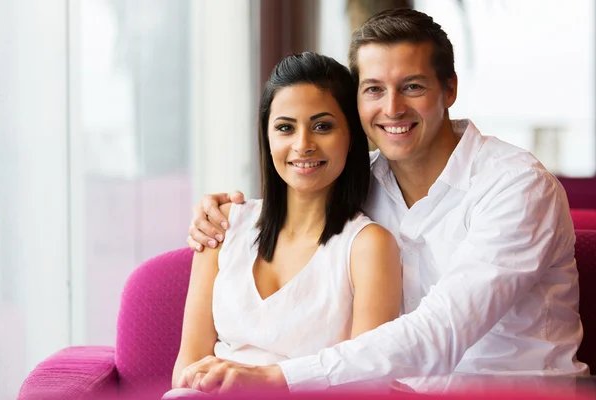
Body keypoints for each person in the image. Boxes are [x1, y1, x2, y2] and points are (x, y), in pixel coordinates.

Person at [184, 7, 588, 394]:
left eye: (412, 86)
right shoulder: (361, 179)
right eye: (374, 89)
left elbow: (442, 331)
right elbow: (296, 197)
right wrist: (223, 212)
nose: (392, 108)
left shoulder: (516, 187)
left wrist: (277, 377)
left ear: (450, 88)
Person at [169, 52, 402, 396]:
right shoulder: (223, 224)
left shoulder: (367, 246)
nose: (303, 145)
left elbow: (364, 382)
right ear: (267, 137)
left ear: (351, 136)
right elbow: (186, 371)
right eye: (285, 128)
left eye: (322, 126)